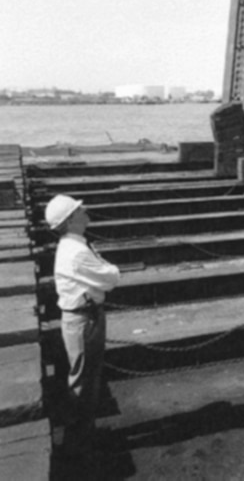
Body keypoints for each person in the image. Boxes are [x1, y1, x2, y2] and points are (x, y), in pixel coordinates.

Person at [45, 194, 120, 459]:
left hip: (83, 316)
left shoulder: (74, 245)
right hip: (84, 320)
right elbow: (111, 277)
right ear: (70, 220)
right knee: (84, 381)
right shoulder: (76, 251)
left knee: (86, 377)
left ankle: (83, 436)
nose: (85, 210)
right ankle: (80, 445)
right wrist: (110, 268)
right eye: (79, 209)